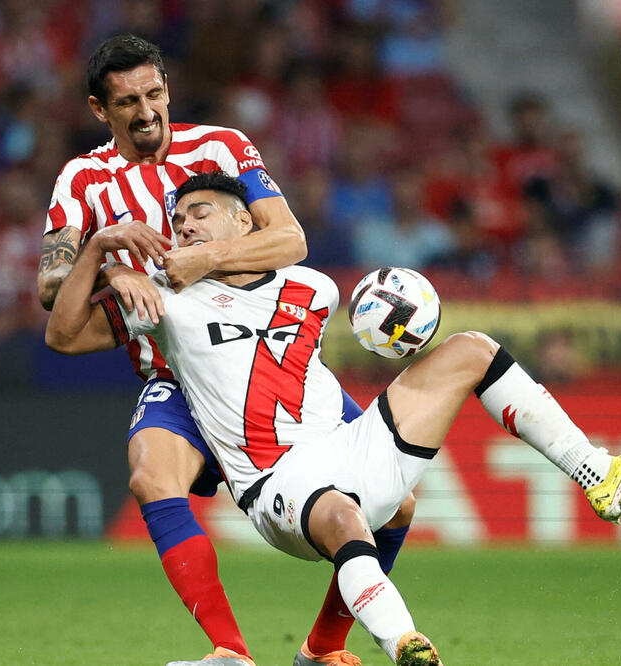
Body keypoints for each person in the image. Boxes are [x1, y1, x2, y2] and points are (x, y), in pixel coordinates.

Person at [45, 172, 621, 665]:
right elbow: (63, 336)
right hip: (276, 482)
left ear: (243, 221)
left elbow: (308, 323)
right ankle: (405, 643)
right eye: (177, 218)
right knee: (344, 516)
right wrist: (102, 255)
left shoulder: (314, 289)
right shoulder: (163, 298)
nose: (183, 225)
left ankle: (599, 475)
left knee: (472, 351)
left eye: (199, 213)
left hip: (343, 444)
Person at [37, 35, 401, 666]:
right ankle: (230, 652)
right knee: (151, 476)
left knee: (398, 501)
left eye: (154, 94)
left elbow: (289, 240)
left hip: (267, 355)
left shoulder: (223, 146)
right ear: (100, 109)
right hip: (178, 371)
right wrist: (109, 260)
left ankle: (323, 649)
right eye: (127, 102)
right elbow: (51, 287)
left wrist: (205, 259)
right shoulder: (83, 179)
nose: (146, 112)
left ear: (168, 89)